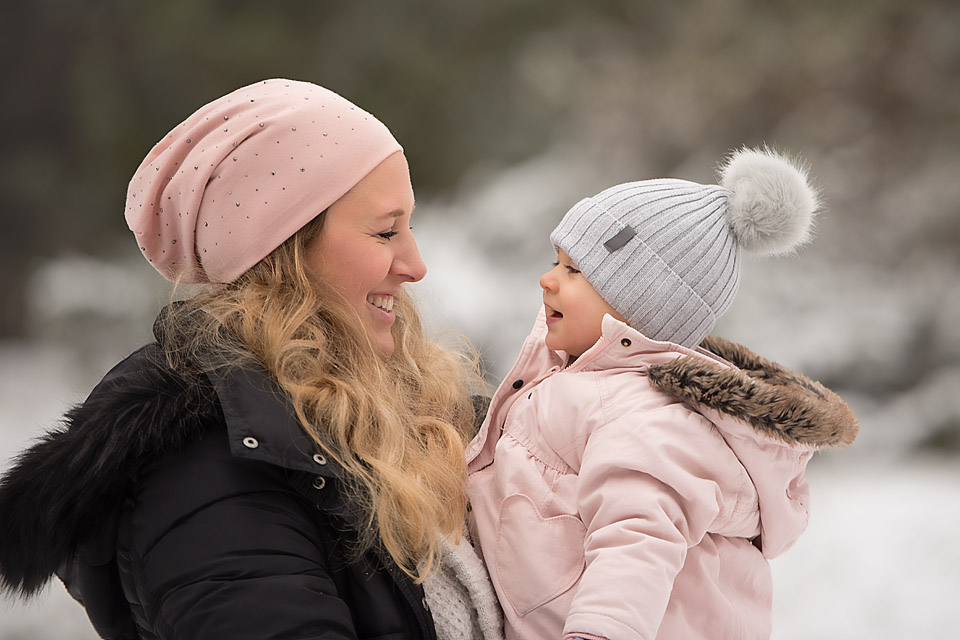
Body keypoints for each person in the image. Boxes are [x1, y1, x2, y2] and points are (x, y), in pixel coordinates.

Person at [0, 79, 504, 640]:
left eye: (410, 227)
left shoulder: (392, 421)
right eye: (386, 231)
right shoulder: (207, 473)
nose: (415, 264)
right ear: (285, 249)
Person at [464, 147, 859, 640]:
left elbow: (636, 540)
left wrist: (600, 632)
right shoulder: (584, 381)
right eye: (555, 262)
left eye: (575, 272)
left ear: (639, 305)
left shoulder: (641, 416)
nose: (547, 280)